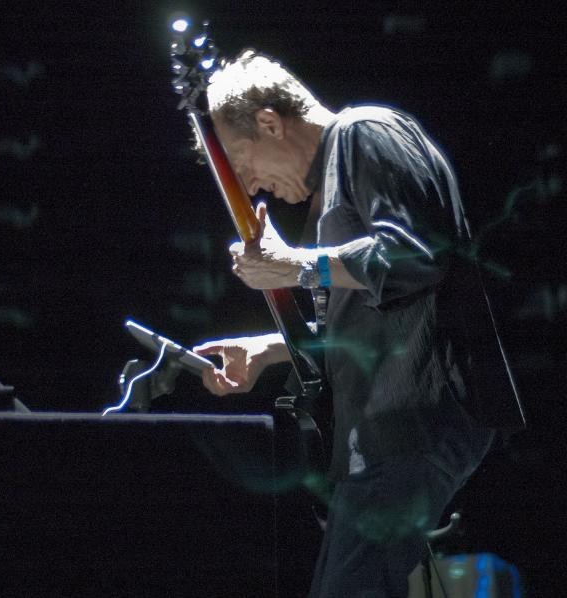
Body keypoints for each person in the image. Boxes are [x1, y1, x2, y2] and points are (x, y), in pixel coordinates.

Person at [191, 51, 524, 597]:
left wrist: (297, 265)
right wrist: (269, 349)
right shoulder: (332, 185)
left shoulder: (364, 131)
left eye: (243, 163)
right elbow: (368, 317)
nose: (250, 187)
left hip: (413, 422)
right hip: (386, 436)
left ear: (270, 123)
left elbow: (416, 255)